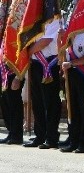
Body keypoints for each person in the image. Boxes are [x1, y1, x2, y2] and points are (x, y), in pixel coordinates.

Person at [23, 19, 62, 149]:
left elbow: (46, 41)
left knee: (50, 102)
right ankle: (40, 135)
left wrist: (28, 52)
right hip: (36, 63)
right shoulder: (35, 17)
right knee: (37, 101)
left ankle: (51, 137)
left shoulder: (54, 19)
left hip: (48, 64)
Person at [60, 30, 84, 153]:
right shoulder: (71, 33)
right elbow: (64, 52)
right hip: (71, 72)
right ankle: (73, 140)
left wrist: (71, 63)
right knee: (73, 108)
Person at [0, 46, 24, 145]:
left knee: (14, 105)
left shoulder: (14, 32)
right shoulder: (3, 35)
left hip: (14, 74)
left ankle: (16, 135)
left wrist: (18, 77)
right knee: (6, 105)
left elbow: (22, 56)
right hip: (3, 74)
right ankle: (11, 132)